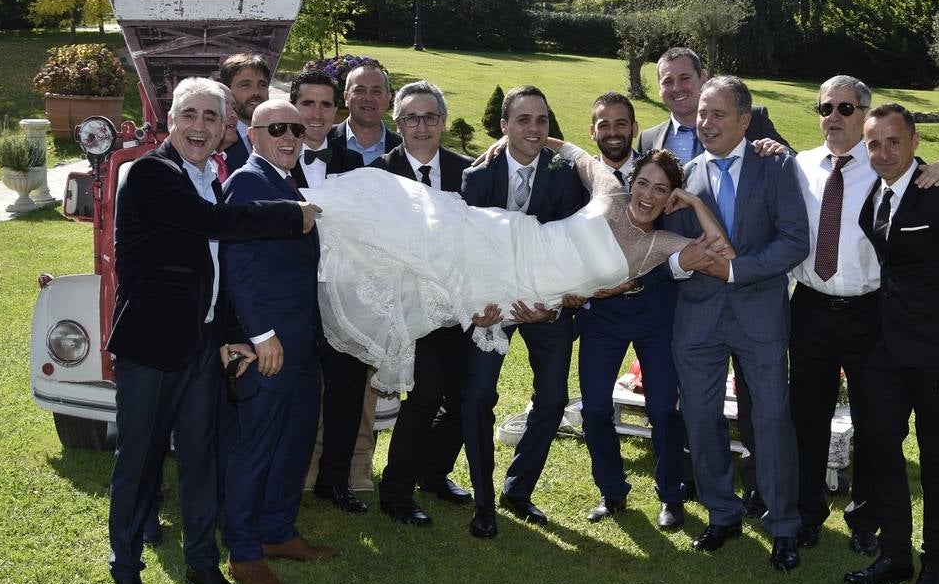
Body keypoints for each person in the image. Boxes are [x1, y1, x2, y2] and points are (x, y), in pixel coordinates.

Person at [301, 84, 728, 539]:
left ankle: (517, 491)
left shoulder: (657, 245)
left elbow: (723, 256)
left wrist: (697, 203)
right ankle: (482, 504)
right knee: (421, 239)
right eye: (642, 183)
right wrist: (516, 141)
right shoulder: (608, 193)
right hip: (498, 250)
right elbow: (580, 154)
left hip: (545, 302)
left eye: (661, 191)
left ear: (670, 198)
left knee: (551, 400)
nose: (647, 194)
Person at [105, 77, 317, 584]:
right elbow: (213, 226)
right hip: (152, 347)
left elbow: (217, 272)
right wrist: (290, 213)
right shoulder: (151, 173)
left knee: (200, 460)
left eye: (210, 118)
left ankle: (203, 563)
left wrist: (227, 337)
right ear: (171, 121)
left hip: (201, 344)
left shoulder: (213, 177)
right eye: (189, 115)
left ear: (225, 129)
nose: (199, 126)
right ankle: (126, 572)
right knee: (140, 462)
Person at [788, 76, 939, 554]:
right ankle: (807, 513)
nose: (833, 116)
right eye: (824, 106)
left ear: (864, 113)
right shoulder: (800, 165)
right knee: (806, 416)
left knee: (876, 423)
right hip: (808, 307)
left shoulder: (886, 164)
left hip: (872, 312)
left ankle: (865, 518)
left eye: (845, 108)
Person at [845, 104, 939, 584]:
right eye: (874, 144)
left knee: (936, 458)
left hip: (937, 356)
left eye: (893, 142)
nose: (883, 153)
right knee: (880, 447)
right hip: (886, 349)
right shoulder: (875, 195)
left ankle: (935, 564)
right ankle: (895, 554)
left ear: (913, 140)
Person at [664, 76, 810, 571]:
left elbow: (794, 241)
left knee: (769, 419)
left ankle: (783, 524)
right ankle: (722, 514)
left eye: (717, 114)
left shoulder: (776, 165)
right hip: (697, 322)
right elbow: (664, 253)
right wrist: (685, 264)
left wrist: (736, 269)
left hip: (761, 315)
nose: (705, 123)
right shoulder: (683, 176)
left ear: (745, 121)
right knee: (701, 421)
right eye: (702, 114)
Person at [220, 99, 339, 584]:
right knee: (256, 447)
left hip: (303, 344)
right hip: (268, 345)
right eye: (276, 128)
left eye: (294, 127)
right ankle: (244, 553)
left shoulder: (287, 181)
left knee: (293, 442)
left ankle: (277, 531)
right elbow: (238, 265)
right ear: (253, 134)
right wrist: (261, 335)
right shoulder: (247, 182)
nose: (289, 136)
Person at [567, 92, 688, 530]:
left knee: (662, 409)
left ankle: (672, 494)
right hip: (602, 315)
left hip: (656, 309)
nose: (613, 131)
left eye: (622, 122)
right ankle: (612, 491)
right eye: (604, 124)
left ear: (634, 127)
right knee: (595, 408)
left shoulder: (663, 174)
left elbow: (683, 243)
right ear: (593, 129)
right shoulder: (577, 176)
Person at [375, 81, 475, 526]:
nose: (421, 126)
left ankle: (433, 472)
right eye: (411, 118)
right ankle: (395, 492)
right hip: (407, 309)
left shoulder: (468, 172)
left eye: (430, 116)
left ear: (442, 122)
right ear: (397, 124)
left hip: (457, 306)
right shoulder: (379, 176)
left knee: (464, 395)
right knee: (424, 394)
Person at [286, 69, 371, 515]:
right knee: (296, 391)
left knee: (346, 389)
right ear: (293, 107)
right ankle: (289, 478)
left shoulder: (355, 165)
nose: (316, 114)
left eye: (325, 105)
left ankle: (336, 480)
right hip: (293, 297)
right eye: (308, 103)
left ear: (336, 110)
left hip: (343, 295)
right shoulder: (272, 161)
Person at [638, 47, 787, 162]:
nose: (677, 88)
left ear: (703, 77)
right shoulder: (648, 140)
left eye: (685, 78)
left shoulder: (751, 119)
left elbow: (796, 164)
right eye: (668, 82)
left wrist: (782, 151)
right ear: (659, 88)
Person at [327, 61, 401, 165]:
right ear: (346, 97)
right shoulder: (323, 141)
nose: (368, 98)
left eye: (376, 91)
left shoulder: (404, 148)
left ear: (389, 98)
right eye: (359, 90)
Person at [220, 52, 271, 149]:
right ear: (227, 90)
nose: (256, 92)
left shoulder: (279, 136)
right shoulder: (218, 141)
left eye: (262, 85)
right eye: (245, 85)